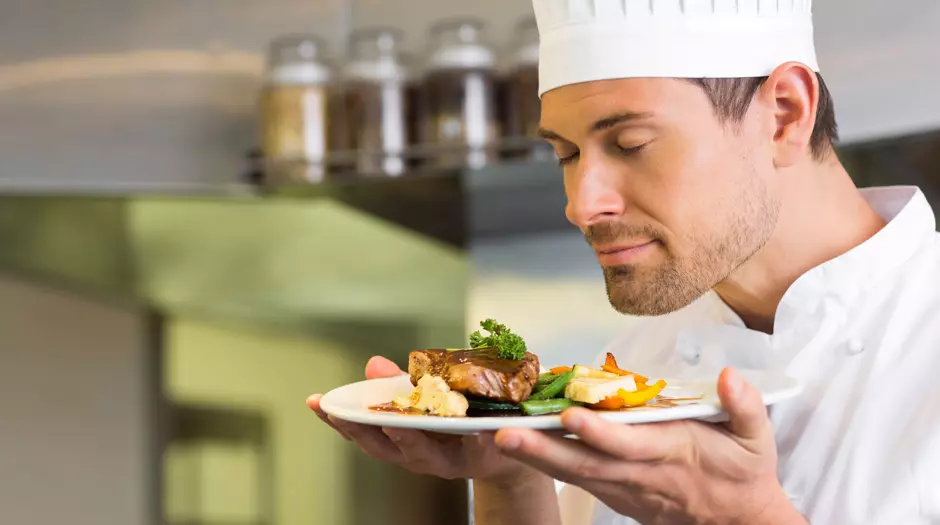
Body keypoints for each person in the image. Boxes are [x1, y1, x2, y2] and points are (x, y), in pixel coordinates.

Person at [308, 0, 940, 523]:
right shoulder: (638, 365)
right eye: (566, 155)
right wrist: (511, 476)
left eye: (631, 143)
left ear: (783, 115)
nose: (582, 206)